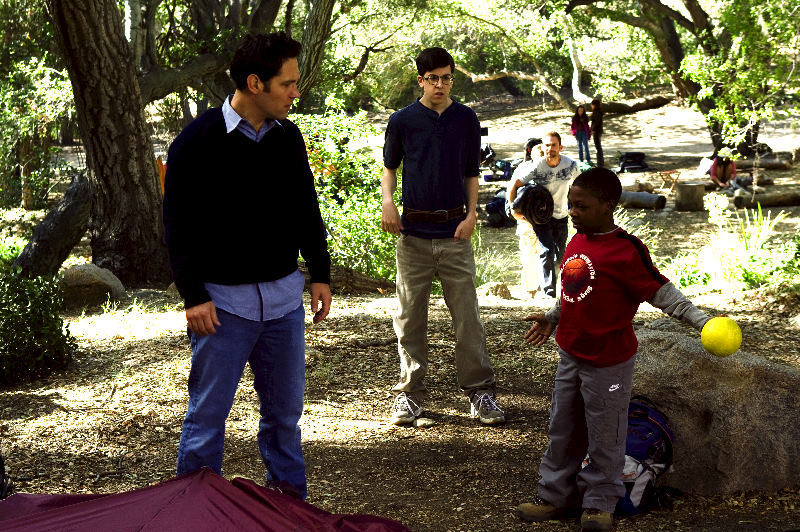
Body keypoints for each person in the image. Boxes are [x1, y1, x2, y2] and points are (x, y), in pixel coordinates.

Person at [162, 32, 332, 500]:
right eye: (289, 83)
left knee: (283, 418)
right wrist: (193, 296)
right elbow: (176, 226)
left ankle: (287, 506)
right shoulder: (196, 141)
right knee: (207, 417)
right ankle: (192, 513)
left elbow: (305, 208)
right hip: (221, 306)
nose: (296, 92)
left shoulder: (288, 137)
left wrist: (319, 271)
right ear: (256, 83)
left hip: (283, 303)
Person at [514, 167, 710, 531]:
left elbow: (662, 292)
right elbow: (573, 291)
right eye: (570, 205)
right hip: (571, 354)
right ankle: (555, 496)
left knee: (606, 435)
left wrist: (703, 322)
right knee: (563, 428)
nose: (572, 212)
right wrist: (553, 317)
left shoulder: (627, 250)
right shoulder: (577, 241)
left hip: (608, 363)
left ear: (609, 205)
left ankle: (599, 503)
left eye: (582, 206)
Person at [381, 47, 504, 426]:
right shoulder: (402, 121)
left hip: (455, 233)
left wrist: (472, 216)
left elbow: (472, 173)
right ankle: (409, 397)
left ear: (452, 78)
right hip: (413, 235)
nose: (440, 84)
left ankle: (480, 392)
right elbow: (389, 168)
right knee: (409, 319)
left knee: (467, 317)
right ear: (420, 80)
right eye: (432, 78)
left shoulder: (466, 118)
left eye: (446, 77)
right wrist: (388, 203)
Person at [507, 132, 579, 298]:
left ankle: (552, 284)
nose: (550, 148)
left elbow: (580, 186)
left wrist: (578, 209)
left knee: (560, 255)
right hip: (541, 217)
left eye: (553, 145)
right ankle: (549, 293)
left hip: (561, 216)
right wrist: (513, 209)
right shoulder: (537, 166)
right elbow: (515, 184)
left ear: (560, 147)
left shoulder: (571, 165)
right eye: (547, 145)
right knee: (547, 250)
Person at [510, 138, 544, 299]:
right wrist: (514, 212)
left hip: (546, 219)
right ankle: (531, 291)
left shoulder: (552, 168)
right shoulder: (523, 169)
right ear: (531, 152)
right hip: (526, 219)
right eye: (540, 150)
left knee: (545, 254)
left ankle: (545, 289)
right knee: (528, 255)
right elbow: (511, 189)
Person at [590, 100, 604, 167]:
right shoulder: (598, 112)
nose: (591, 106)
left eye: (592, 105)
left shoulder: (597, 112)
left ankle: (600, 163)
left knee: (598, 148)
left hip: (596, 131)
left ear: (594, 105)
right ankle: (600, 162)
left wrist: (593, 130)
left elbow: (596, 123)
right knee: (598, 147)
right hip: (598, 131)